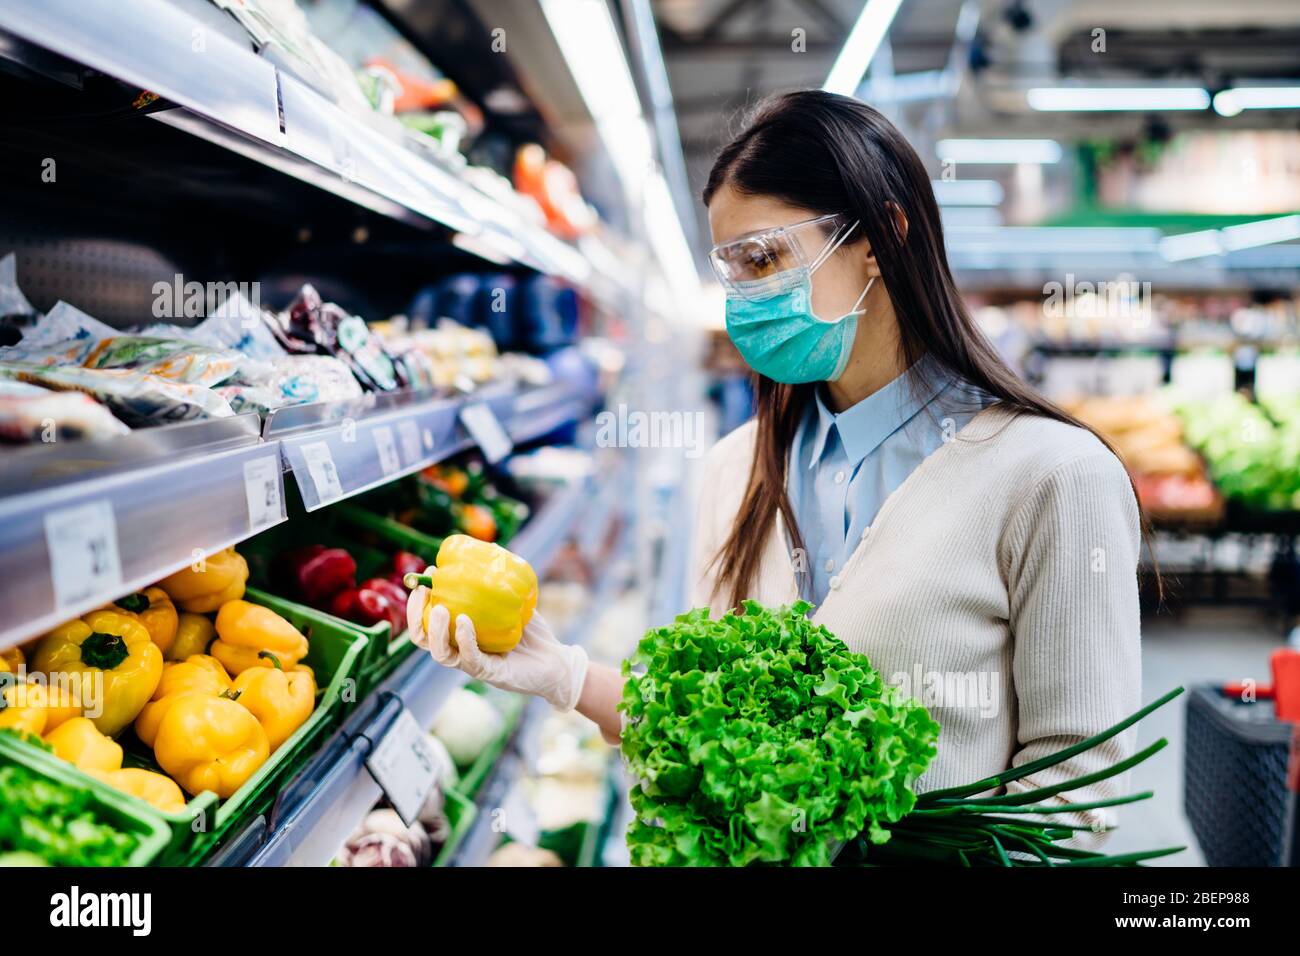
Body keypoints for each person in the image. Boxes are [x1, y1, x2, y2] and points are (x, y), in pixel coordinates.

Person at [407, 90, 1143, 845]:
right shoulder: (736, 470)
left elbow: (1076, 799)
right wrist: (563, 675)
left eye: (763, 259)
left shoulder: (1053, 477)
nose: (745, 299)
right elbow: (707, 738)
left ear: (879, 238)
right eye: (731, 271)